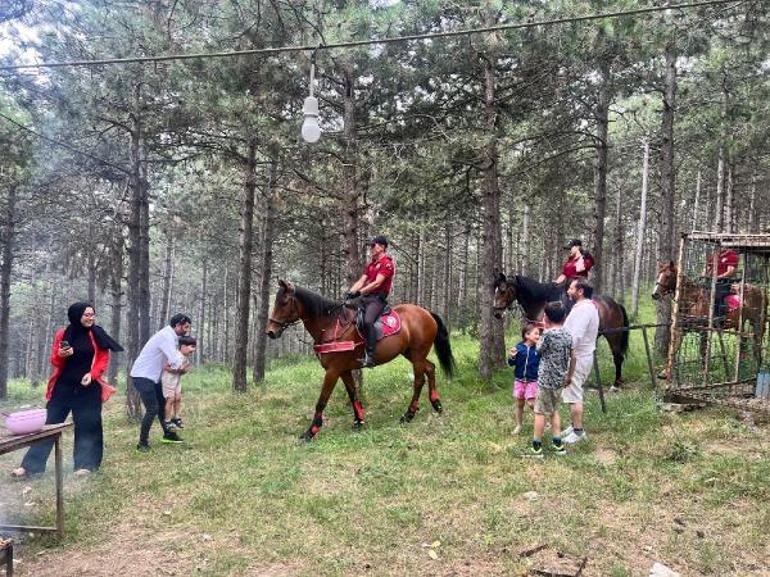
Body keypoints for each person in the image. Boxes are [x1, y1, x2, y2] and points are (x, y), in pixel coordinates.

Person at [12, 303, 123, 478]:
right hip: (64, 387)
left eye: (92, 315)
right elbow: (55, 361)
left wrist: (92, 375)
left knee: (88, 425)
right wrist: (61, 355)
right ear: (76, 315)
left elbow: (103, 359)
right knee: (49, 424)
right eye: (86, 315)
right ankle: (31, 467)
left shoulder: (96, 333)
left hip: (88, 387)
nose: (90, 318)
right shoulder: (63, 334)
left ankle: (85, 465)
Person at [131, 313, 191, 451]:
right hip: (142, 376)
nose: (186, 330)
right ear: (177, 325)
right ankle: (142, 443)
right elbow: (174, 360)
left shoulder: (171, 336)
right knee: (153, 408)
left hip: (153, 377)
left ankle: (168, 434)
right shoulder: (166, 337)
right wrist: (181, 366)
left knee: (163, 405)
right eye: (185, 327)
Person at [345, 235, 395, 368]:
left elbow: (377, 283)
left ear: (382, 247)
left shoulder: (387, 263)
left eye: (374, 246)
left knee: (368, 321)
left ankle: (371, 356)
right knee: (347, 313)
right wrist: (350, 292)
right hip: (366, 298)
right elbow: (362, 281)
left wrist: (359, 292)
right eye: (371, 246)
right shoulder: (371, 264)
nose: (371, 248)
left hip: (377, 299)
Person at [529, 302, 572, 457]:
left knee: (539, 412)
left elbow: (539, 350)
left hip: (546, 380)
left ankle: (536, 447)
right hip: (560, 379)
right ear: (564, 317)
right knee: (554, 411)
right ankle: (557, 444)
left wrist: (542, 332)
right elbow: (573, 355)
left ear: (546, 318)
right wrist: (570, 376)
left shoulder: (547, 334)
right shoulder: (568, 334)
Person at [561, 278, 600, 444]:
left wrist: (561, 348)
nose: (568, 291)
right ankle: (573, 425)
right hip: (580, 355)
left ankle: (578, 431)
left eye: (571, 289)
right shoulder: (584, 307)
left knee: (574, 394)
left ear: (580, 291)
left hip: (577, 357)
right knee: (573, 391)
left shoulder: (584, 310)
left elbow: (575, 336)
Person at [507, 323, 541, 435]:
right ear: (527, 335)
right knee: (520, 404)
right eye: (536, 333)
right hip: (519, 380)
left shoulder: (538, 349)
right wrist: (512, 356)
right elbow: (511, 363)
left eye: (539, 334)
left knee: (531, 403)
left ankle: (542, 420)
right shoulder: (519, 348)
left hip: (532, 381)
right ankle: (519, 425)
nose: (538, 336)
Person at [162, 335, 197, 431]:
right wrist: (175, 370)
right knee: (171, 399)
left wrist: (184, 370)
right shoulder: (175, 355)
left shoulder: (185, 358)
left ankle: (176, 417)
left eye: (194, 347)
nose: (193, 350)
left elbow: (182, 372)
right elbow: (165, 367)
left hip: (177, 380)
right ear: (183, 347)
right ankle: (167, 420)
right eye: (192, 347)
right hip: (168, 380)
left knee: (178, 398)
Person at [703, 246, 739, 324]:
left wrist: (718, 277)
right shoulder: (716, 256)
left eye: (723, 244)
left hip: (724, 282)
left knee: (717, 295)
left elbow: (730, 272)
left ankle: (720, 316)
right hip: (711, 281)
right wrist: (703, 274)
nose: (720, 247)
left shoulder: (732, 256)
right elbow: (708, 267)